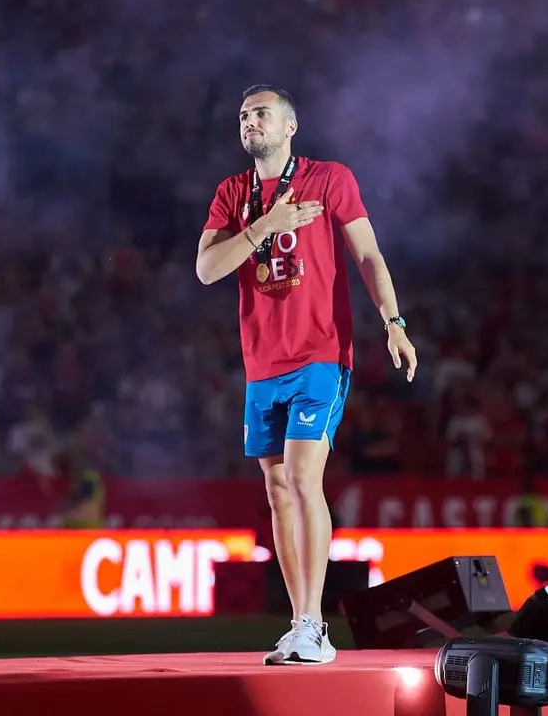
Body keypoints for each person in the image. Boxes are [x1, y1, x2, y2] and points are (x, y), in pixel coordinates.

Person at [196, 84, 417, 664]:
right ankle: (299, 623)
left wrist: (392, 322)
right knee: (275, 491)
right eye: (243, 115)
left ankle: (315, 624)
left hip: (320, 353)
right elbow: (206, 269)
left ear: (290, 126)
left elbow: (368, 254)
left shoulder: (329, 178)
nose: (250, 122)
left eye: (261, 114)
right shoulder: (231, 194)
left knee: (299, 477)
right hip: (261, 361)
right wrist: (266, 225)